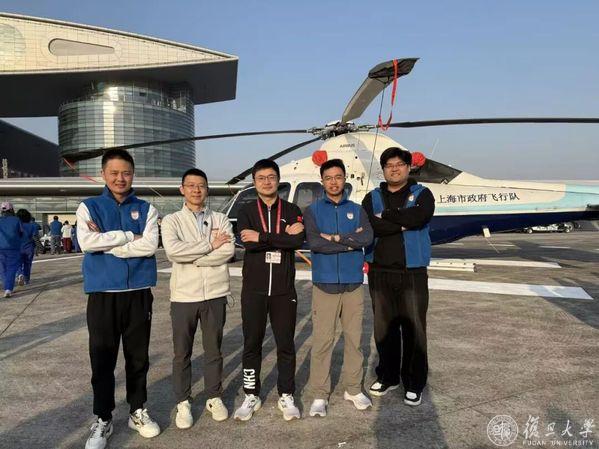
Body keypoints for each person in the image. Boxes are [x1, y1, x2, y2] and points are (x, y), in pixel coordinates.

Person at [76, 148, 161, 449]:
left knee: (138, 358)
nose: (120, 178)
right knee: (102, 359)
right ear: (103, 174)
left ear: (133, 174)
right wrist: (127, 236)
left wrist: (108, 242)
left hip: (138, 293)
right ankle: (103, 418)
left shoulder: (147, 209)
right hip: (103, 294)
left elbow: (149, 245)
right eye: (114, 173)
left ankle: (137, 410)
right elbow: (87, 242)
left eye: (126, 172)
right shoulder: (89, 207)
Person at [362, 147, 435, 407]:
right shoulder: (372, 197)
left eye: (399, 164)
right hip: (379, 271)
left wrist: (388, 216)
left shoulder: (422, 194)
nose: (394, 169)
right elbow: (371, 225)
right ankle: (388, 375)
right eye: (389, 165)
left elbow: (420, 216)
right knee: (384, 329)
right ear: (383, 170)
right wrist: (404, 223)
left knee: (414, 328)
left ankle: (414, 382)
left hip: (412, 272)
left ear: (408, 167)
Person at [162, 168, 235, 428]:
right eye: (191, 185)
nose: (196, 190)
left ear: (207, 189)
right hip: (183, 296)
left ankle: (214, 396)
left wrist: (195, 258)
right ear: (182, 189)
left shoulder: (220, 219)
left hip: (215, 294)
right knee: (182, 352)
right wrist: (209, 246)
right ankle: (183, 401)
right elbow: (173, 252)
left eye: (201, 185)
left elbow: (228, 250)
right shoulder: (171, 220)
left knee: (214, 349)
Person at [233, 159, 305, 422]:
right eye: (261, 178)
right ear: (254, 182)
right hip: (254, 290)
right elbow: (248, 244)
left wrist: (262, 236)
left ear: (278, 180)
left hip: (284, 291)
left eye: (271, 177)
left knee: (285, 344)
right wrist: (281, 238)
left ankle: (286, 393)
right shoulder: (246, 210)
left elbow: (297, 241)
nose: (267, 182)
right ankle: (251, 394)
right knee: (252, 344)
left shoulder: (292, 209)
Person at [304, 159, 374, 417]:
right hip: (324, 285)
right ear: (322, 181)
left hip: (353, 284)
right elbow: (315, 243)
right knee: (323, 341)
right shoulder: (312, 211)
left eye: (338, 177)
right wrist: (350, 241)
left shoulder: (357, 209)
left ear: (345, 179)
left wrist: (334, 238)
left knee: (354, 340)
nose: (333, 182)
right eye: (328, 178)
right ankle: (320, 394)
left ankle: (353, 388)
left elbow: (366, 237)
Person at [0, 202, 22, 298]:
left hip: (0, 248)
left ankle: (6, 287)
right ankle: (8, 288)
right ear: (12, 210)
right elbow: (21, 232)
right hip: (13, 247)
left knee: (2, 268)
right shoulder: (16, 220)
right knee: (11, 268)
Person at [16, 209, 36, 286]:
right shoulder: (32, 225)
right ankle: (26, 280)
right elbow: (35, 237)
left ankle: (20, 274)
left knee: (18, 263)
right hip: (29, 247)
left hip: (18, 247)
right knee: (28, 264)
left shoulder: (16, 225)